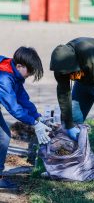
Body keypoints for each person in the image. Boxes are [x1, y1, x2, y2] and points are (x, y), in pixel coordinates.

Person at [50, 37, 94, 180]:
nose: (65, 75)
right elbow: (63, 93)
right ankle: (74, 160)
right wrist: (67, 121)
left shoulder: (87, 52)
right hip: (83, 82)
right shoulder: (60, 66)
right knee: (73, 118)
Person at [0, 47, 52, 189]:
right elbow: (13, 107)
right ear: (19, 66)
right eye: (29, 72)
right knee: (3, 137)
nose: (29, 75)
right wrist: (34, 124)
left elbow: (22, 99)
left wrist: (37, 117)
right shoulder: (4, 78)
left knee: (3, 137)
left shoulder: (13, 73)